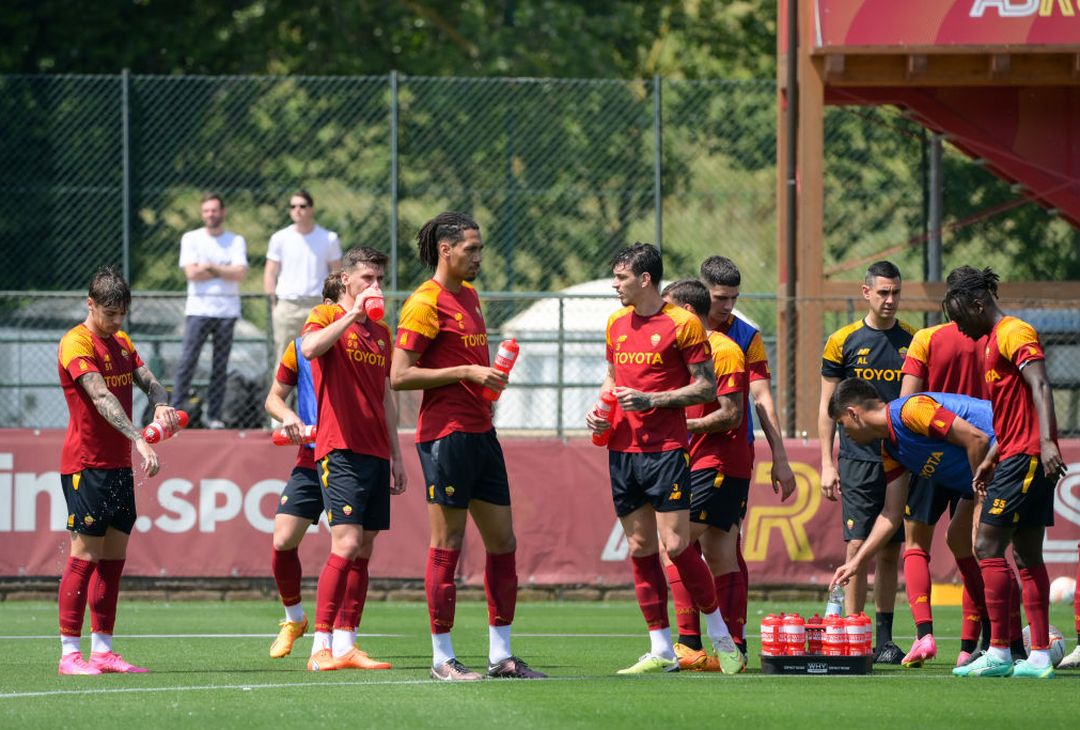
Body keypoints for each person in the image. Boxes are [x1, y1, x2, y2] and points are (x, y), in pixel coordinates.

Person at [390, 212, 545, 681]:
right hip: (446, 437)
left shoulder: (471, 296)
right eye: (471, 249)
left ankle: (502, 656)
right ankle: (442, 659)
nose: (478, 257)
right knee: (447, 546)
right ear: (446, 250)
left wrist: (486, 387)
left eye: (480, 249)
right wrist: (465, 373)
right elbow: (398, 376)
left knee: (504, 544)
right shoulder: (423, 302)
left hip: (481, 432)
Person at [586, 244, 745, 676]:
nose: (615, 284)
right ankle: (660, 647)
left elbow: (706, 389)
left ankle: (721, 638)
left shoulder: (683, 324)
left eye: (621, 277)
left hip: (666, 451)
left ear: (644, 279)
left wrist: (652, 399)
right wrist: (601, 412)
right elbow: (613, 377)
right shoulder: (615, 323)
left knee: (676, 546)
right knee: (639, 547)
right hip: (622, 449)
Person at [56, 266, 181, 675]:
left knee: (113, 559)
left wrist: (161, 402)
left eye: (121, 315)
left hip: (116, 467)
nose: (116, 323)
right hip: (86, 465)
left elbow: (149, 381)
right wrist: (139, 438)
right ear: (90, 305)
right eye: (109, 315)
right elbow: (101, 395)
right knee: (85, 556)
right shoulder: (76, 342)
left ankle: (103, 651)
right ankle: (69, 654)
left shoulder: (122, 340)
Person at [944, 266, 1065, 679]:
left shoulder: (1014, 332)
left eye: (960, 317)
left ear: (979, 303)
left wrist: (1047, 443)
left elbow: (1042, 385)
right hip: (1014, 453)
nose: (959, 328)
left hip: (1028, 458)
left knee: (986, 546)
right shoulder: (991, 343)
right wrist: (991, 456)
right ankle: (1039, 655)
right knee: (1028, 555)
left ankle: (998, 650)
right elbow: (1012, 412)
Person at [671, 255, 796, 655]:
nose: (727, 306)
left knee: (694, 545)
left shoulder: (743, 337)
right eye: (720, 297)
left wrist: (780, 456)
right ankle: (722, 646)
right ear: (700, 293)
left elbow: (761, 398)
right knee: (708, 547)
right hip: (685, 452)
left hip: (724, 450)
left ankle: (698, 642)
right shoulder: (680, 332)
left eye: (733, 298)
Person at [826, 378, 994, 667]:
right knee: (959, 539)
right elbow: (891, 515)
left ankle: (1010, 645)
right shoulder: (890, 450)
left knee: (994, 550)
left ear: (854, 413)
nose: (847, 436)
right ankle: (994, 642)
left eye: (843, 425)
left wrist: (981, 505)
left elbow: (977, 439)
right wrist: (856, 563)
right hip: (980, 476)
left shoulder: (911, 411)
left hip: (1009, 453)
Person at [297, 247, 406, 673]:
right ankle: (319, 645)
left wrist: (397, 454)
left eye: (379, 280)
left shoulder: (382, 333)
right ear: (346, 280)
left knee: (364, 548)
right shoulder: (325, 316)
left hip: (376, 450)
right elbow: (308, 349)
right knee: (344, 543)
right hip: (338, 447)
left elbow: (385, 396)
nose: (375, 287)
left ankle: (347, 644)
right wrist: (352, 316)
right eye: (367, 279)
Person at [900, 319, 1025, 666]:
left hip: (935, 449)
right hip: (983, 450)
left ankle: (925, 634)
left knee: (916, 544)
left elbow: (906, 402)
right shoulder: (999, 336)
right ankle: (976, 644)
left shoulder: (927, 337)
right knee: (976, 548)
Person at [818, 260, 915, 664]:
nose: (890, 300)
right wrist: (827, 461)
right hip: (856, 459)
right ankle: (853, 633)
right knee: (858, 544)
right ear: (866, 293)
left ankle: (885, 639)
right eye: (883, 293)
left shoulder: (912, 339)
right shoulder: (842, 341)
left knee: (891, 550)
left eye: (895, 293)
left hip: (900, 457)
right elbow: (827, 406)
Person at [265, 272, 358, 660]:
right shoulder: (301, 347)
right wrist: (286, 415)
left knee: (351, 545)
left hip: (346, 454)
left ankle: (342, 637)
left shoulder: (357, 345)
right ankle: (295, 618)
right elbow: (273, 398)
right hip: (310, 456)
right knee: (282, 540)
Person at [659, 279, 750, 672]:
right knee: (718, 554)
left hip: (718, 463)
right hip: (697, 461)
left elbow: (733, 414)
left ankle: (690, 642)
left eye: (669, 310)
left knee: (673, 545)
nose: (663, 317)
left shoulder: (725, 350)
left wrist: (684, 428)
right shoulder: (680, 351)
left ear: (687, 311)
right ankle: (732, 650)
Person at [170, 193, 248, 429]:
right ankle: (175, 412)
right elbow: (192, 273)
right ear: (202, 213)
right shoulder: (191, 238)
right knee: (187, 361)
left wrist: (210, 267)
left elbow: (240, 274)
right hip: (198, 310)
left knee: (219, 366)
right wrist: (225, 269)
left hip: (226, 312)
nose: (210, 214)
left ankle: (213, 416)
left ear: (222, 212)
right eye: (206, 210)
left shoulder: (235, 241)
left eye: (214, 210)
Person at [263, 190, 342, 362]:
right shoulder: (279, 238)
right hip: (287, 305)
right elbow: (270, 272)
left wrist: (333, 306)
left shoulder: (329, 238)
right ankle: (282, 391)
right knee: (284, 359)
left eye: (302, 206)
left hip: (316, 304)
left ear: (312, 209)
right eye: (293, 206)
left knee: (320, 358)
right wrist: (274, 305)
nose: (297, 210)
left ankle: (316, 391)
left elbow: (336, 274)